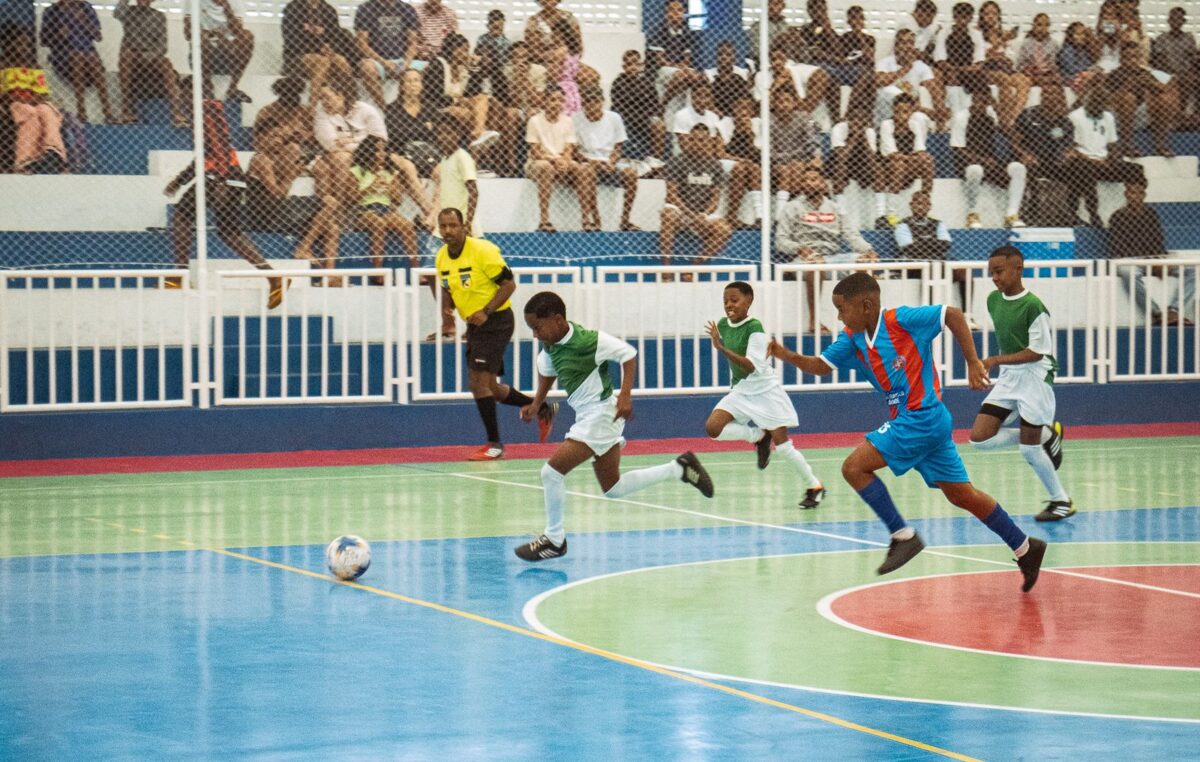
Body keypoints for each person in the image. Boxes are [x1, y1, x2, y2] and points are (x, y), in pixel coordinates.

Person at [768, 272, 1048, 590]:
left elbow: (952, 315)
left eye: (841, 309)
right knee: (962, 495)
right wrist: (784, 354)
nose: (838, 316)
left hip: (921, 417)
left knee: (853, 467)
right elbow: (820, 365)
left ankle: (903, 535)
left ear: (866, 305)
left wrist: (972, 361)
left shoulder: (901, 320)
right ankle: (1025, 547)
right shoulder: (851, 338)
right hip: (926, 423)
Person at [513, 290, 713, 560]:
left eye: (537, 327)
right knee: (613, 488)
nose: (535, 334)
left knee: (551, 473)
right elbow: (548, 371)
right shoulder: (550, 346)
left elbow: (628, 355)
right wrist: (537, 404)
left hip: (601, 414)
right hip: (588, 417)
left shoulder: (589, 341)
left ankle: (554, 538)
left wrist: (626, 395)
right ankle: (678, 468)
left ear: (557, 319)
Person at [434, 209, 557, 460]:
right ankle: (542, 408)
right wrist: (448, 317)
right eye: (443, 226)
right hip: (476, 325)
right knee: (490, 387)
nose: (448, 231)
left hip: (496, 320)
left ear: (464, 227)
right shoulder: (441, 258)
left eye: (453, 225)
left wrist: (486, 311)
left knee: (477, 383)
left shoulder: (482, 250)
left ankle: (494, 445)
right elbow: (447, 288)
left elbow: (509, 284)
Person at [969, 246, 1073, 522]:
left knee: (1029, 450)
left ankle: (1060, 501)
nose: (994, 277)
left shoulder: (1034, 306)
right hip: (1010, 377)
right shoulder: (993, 300)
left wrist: (992, 360)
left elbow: (1037, 352)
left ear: (1018, 269)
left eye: (999, 271)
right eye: (991, 272)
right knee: (979, 439)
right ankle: (1044, 436)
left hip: (1035, 377)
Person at [164, 78, 284, 309]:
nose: (182, 96)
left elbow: (219, 149)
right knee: (229, 233)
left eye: (186, 92)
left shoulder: (206, 110)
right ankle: (273, 276)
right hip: (225, 176)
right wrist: (181, 180)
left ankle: (179, 275)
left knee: (181, 215)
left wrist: (220, 180)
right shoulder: (204, 111)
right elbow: (205, 155)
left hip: (219, 178)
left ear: (196, 92)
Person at [705, 281, 825, 509]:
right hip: (741, 390)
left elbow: (751, 366)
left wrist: (721, 348)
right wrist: (721, 345)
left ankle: (814, 486)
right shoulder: (722, 324)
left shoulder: (755, 329)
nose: (729, 305)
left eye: (734, 300)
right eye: (725, 301)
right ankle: (758, 437)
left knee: (784, 447)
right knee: (713, 428)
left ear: (749, 302)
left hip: (764, 392)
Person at [775, 165, 879, 330]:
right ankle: (814, 321)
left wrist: (868, 250)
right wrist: (799, 248)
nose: (809, 183)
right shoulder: (792, 207)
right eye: (805, 180)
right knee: (816, 265)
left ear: (823, 183)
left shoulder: (835, 208)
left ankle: (861, 319)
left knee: (864, 263)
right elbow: (780, 241)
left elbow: (851, 235)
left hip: (832, 258)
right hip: (805, 259)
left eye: (814, 179)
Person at [244, 124, 341, 282]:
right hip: (269, 216)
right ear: (260, 139)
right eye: (273, 136)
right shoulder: (261, 159)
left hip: (279, 211)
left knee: (332, 227)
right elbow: (278, 195)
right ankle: (303, 248)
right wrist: (291, 175)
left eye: (280, 138)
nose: (278, 141)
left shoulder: (270, 159)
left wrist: (294, 171)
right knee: (330, 202)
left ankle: (329, 276)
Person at [1109, 180, 1195, 326]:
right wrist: (1149, 261)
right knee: (1127, 272)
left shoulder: (1151, 214)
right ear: (1126, 194)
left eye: (1139, 193)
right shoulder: (1118, 216)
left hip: (1154, 259)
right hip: (1132, 261)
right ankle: (1157, 313)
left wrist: (1159, 262)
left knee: (1192, 271)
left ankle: (1173, 310)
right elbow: (1120, 248)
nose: (1135, 196)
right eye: (1132, 192)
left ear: (1144, 195)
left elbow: (1157, 242)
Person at [949, 79, 1026, 228]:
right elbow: (958, 149)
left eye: (986, 101)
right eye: (979, 100)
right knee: (976, 170)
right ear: (973, 99)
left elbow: (1007, 131)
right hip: (968, 163)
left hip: (991, 161)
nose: (982, 105)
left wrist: (998, 110)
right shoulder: (961, 117)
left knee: (1018, 168)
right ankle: (973, 214)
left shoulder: (991, 113)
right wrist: (983, 160)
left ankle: (1011, 214)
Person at [1065, 86, 1144, 226]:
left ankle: (1136, 209)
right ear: (1087, 101)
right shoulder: (1075, 117)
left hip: (1104, 162)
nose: (1098, 106)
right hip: (1083, 161)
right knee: (1083, 169)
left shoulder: (1108, 117)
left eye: (1102, 103)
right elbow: (1071, 149)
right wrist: (1092, 160)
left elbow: (1112, 144)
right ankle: (1093, 214)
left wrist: (1113, 159)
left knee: (1136, 169)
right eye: (1095, 102)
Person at [659, 124, 730, 270]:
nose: (698, 144)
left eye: (703, 140)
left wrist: (703, 215)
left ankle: (694, 267)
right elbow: (672, 195)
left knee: (725, 230)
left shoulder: (716, 165)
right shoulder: (677, 161)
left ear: (709, 142)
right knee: (668, 215)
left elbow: (715, 199)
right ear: (689, 140)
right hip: (680, 211)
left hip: (702, 214)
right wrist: (691, 215)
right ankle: (666, 269)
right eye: (695, 140)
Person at [349, 134, 419, 283]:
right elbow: (350, 198)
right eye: (377, 150)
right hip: (365, 210)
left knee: (407, 226)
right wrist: (370, 188)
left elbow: (398, 200)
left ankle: (416, 270)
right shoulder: (358, 171)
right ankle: (378, 272)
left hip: (386, 209)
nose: (382, 154)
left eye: (384, 151)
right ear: (368, 152)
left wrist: (390, 188)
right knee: (378, 224)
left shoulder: (389, 172)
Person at [525, 86, 593, 232]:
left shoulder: (568, 121)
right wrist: (554, 160)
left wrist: (565, 161)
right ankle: (544, 221)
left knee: (582, 169)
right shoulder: (534, 121)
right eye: (552, 100)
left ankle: (586, 220)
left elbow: (569, 149)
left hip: (561, 160)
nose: (556, 103)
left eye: (560, 100)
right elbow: (535, 152)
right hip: (538, 162)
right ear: (545, 101)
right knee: (546, 167)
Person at [572, 87, 639, 231]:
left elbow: (618, 147)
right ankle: (587, 220)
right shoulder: (576, 119)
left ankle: (625, 220)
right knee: (585, 171)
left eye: (595, 101)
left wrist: (611, 162)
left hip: (609, 162)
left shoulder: (614, 118)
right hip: (587, 162)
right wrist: (592, 162)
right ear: (583, 103)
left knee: (631, 174)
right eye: (588, 101)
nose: (591, 105)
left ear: (602, 102)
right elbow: (574, 151)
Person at [39, 0, 115, 123]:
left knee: (92, 58)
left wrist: (84, 21)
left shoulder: (86, 7)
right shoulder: (52, 11)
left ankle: (107, 112)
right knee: (78, 56)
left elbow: (98, 37)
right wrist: (59, 35)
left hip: (88, 56)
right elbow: (43, 40)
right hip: (63, 56)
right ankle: (81, 110)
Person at [114, 0, 183, 127]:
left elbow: (163, 46)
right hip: (132, 55)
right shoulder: (129, 12)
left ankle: (176, 113)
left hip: (151, 56)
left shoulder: (159, 16)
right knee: (126, 56)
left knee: (167, 64)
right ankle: (127, 110)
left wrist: (148, 56)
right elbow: (117, 12)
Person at [894, 190, 958, 311]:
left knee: (962, 272)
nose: (920, 206)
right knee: (931, 269)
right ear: (911, 205)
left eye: (924, 203)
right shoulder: (902, 225)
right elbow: (910, 249)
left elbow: (946, 244)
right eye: (917, 203)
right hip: (913, 265)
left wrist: (920, 243)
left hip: (937, 261)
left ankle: (968, 314)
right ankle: (929, 313)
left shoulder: (938, 223)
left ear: (929, 206)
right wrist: (933, 244)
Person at [878, 93, 935, 227]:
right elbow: (892, 154)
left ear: (911, 112)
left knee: (928, 161)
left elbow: (920, 150)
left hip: (907, 165)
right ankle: (892, 214)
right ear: (893, 110)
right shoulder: (887, 125)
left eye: (905, 111)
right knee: (898, 164)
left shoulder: (914, 125)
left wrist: (923, 157)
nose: (901, 115)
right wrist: (914, 158)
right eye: (898, 111)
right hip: (888, 168)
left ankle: (925, 205)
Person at [184, 0, 255, 103]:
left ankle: (232, 88)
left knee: (248, 36)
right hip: (203, 47)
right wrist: (207, 34)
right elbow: (187, 33)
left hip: (228, 49)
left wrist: (226, 8)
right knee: (201, 39)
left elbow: (238, 32)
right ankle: (207, 87)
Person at [281, 0, 352, 100]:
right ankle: (312, 107)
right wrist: (319, 48)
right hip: (297, 56)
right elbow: (290, 39)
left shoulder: (329, 10)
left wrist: (330, 47)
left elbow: (336, 37)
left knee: (342, 62)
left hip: (325, 54)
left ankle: (347, 103)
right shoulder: (293, 8)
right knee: (322, 62)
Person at [354, 0, 420, 107]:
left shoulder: (408, 9)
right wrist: (385, 63)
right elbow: (362, 44)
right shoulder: (365, 9)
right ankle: (386, 109)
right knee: (367, 68)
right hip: (377, 61)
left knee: (428, 67)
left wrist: (405, 64)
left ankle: (418, 109)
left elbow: (413, 43)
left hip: (402, 60)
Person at [610, 49, 664, 162]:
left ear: (641, 65)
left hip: (644, 119)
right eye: (629, 64)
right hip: (627, 119)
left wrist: (654, 116)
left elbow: (655, 105)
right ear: (624, 66)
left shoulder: (648, 83)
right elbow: (620, 105)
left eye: (636, 63)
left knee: (659, 125)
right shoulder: (618, 82)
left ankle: (655, 162)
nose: (633, 67)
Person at [1151, 7, 1198, 127]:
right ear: (1168, 20)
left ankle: (1188, 116)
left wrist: (1188, 72)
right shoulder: (1162, 39)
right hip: (1167, 72)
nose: (1175, 21)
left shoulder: (1189, 38)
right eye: (1173, 18)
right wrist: (1171, 74)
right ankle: (1176, 117)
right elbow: (1158, 61)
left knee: (1191, 80)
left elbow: (1193, 59)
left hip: (1185, 73)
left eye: (1179, 18)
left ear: (1183, 21)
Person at [1015, 12, 1060, 85]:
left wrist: (1051, 68)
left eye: (1046, 25)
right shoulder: (1026, 44)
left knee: (1054, 80)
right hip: (1030, 75)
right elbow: (1019, 65)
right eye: (1039, 25)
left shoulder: (1054, 44)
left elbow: (1058, 64)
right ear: (1033, 26)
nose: (1042, 28)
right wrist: (1028, 69)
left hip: (1047, 75)